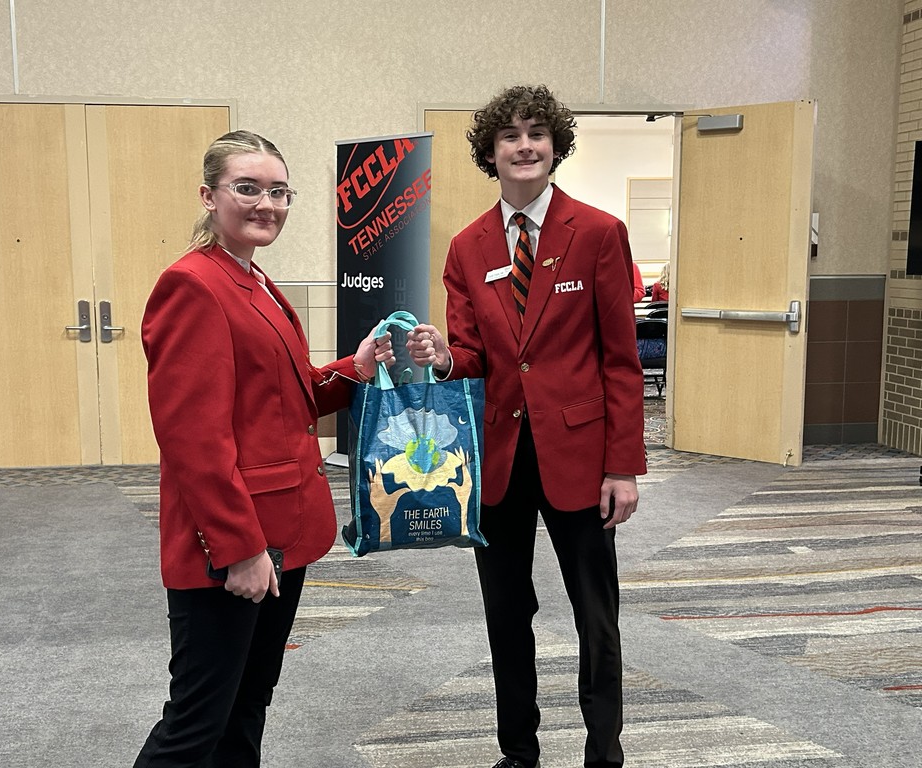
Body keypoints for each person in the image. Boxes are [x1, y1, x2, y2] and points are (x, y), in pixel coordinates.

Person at [406, 85, 647, 768]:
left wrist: (623, 467)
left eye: (537, 133)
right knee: (507, 614)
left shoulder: (597, 232)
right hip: (499, 458)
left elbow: (621, 360)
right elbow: (473, 358)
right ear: (490, 152)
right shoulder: (467, 246)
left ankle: (604, 753)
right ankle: (518, 751)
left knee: (596, 617)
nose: (524, 146)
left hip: (582, 456)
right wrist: (443, 357)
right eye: (509, 136)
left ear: (555, 146)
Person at [134, 130, 391, 768]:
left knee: (248, 704)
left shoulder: (255, 280)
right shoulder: (192, 285)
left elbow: (284, 399)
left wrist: (355, 368)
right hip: (234, 542)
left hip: (282, 528)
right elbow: (194, 440)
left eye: (279, 192)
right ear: (209, 196)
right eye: (247, 188)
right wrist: (240, 549)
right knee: (197, 723)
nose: (266, 204)